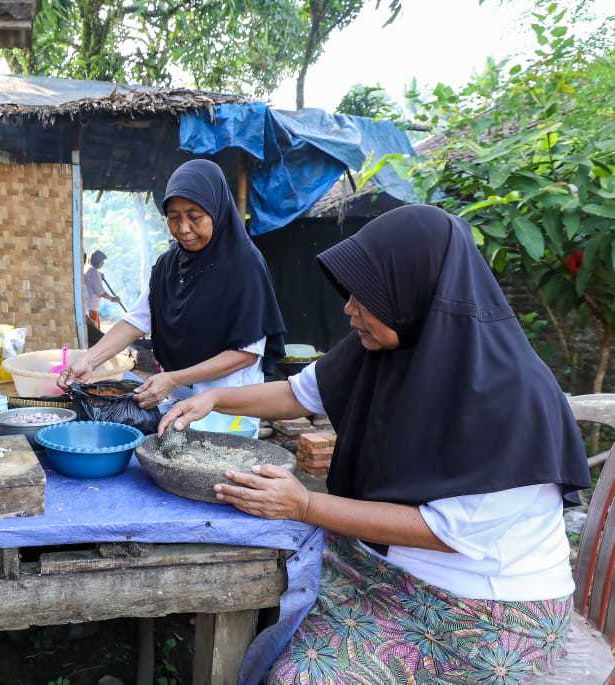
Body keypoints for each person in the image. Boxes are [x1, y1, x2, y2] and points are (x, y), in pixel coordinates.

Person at [159, 204, 592, 684]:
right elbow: (295, 393)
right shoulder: (391, 341)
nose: (348, 309)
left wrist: (305, 505)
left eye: (363, 296)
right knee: (270, 578)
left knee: (302, 676)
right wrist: (215, 399)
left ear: (409, 292)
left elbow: (447, 531)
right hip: (383, 565)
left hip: (480, 611)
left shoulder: (516, 396)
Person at [63, 159, 286, 408]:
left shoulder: (244, 265)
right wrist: (89, 360)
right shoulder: (169, 264)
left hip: (229, 406)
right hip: (178, 398)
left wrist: (173, 378)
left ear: (217, 211)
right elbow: (136, 320)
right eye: (173, 218)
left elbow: (246, 353)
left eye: (195, 217)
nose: (183, 228)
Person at [84, 249, 121, 328]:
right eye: (102, 261)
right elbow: (100, 292)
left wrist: (99, 277)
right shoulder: (93, 272)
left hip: (90, 308)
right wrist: (112, 298)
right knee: (95, 335)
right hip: (91, 309)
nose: (103, 263)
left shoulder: (90, 270)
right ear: (98, 261)